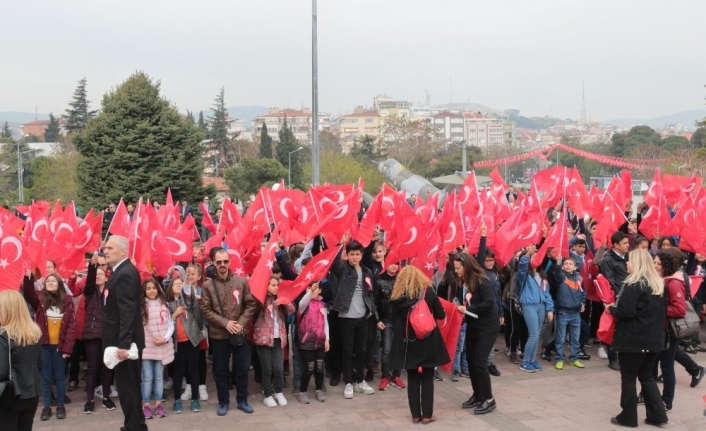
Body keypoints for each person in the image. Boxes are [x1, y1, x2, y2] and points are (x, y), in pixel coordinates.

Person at [606, 249, 668, 427]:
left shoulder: (635, 285)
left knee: (629, 378)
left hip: (634, 340)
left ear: (638, 264)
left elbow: (624, 311)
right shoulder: (657, 284)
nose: (627, 264)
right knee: (647, 377)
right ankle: (658, 415)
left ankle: (628, 417)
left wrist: (611, 308)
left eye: (630, 261)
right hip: (654, 340)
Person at [199, 248, 258, 416]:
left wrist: (240, 323)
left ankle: (242, 400)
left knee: (242, 369)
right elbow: (205, 310)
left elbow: (250, 304)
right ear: (213, 263)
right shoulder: (207, 286)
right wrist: (226, 323)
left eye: (225, 261)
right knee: (220, 371)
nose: (222, 265)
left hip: (239, 333)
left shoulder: (241, 282)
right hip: (219, 335)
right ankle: (223, 402)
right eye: (219, 262)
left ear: (229, 262)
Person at [389, 266, 449, 424]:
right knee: (428, 376)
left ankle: (415, 415)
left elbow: (393, 319)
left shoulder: (397, 296)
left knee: (413, 377)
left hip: (408, 342)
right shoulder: (427, 292)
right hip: (428, 339)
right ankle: (427, 415)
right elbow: (440, 315)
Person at [102, 235, 147, 431]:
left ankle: (134, 427)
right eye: (106, 247)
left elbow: (128, 312)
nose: (105, 250)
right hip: (121, 339)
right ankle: (135, 425)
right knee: (127, 387)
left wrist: (123, 344)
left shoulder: (126, 273)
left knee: (128, 388)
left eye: (110, 248)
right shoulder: (118, 271)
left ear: (122, 251)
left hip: (125, 343)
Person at [21, 272, 76, 421]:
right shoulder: (39, 299)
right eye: (48, 281)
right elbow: (28, 292)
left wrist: (67, 348)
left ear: (59, 284)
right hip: (44, 347)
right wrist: (28, 277)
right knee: (45, 377)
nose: (50, 283)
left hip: (59, 347)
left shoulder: (68, 301)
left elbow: (71, 327)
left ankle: (60, 405)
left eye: (53, 281)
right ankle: (46, 406)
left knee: (59, 377)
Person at [330, 237, 378, 399]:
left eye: (357, 254)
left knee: (361, 350)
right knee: (348, 351)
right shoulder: (343, 270)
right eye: (352, 254)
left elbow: (370, 293)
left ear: (362, 255)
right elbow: (334, 263)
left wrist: (371, 309)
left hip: (362, 317)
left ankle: (361, 381)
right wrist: (339, 244)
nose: (355, 257)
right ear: (348, 255)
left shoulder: (367, 272)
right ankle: (348, 382)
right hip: (346, 316)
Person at [454, 252, 500, 415]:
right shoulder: (463, 282)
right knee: (471, 362)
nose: (456, 271)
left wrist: (468, 309)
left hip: (487, 326)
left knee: (479, 362)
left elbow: (489, 303)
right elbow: (462, 300)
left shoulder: (483, 281)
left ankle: (489, 399)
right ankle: (478, 394)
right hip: (473, 324)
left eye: (458, 268)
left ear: (466, 267)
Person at [0, 290, 43, 431]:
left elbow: (1, 371)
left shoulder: (4, 336)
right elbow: (40, 364)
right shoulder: (34, 332)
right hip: (32, 392)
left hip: (10, 395)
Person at [81, 254, 116, 413]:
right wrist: (93, 267)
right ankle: (89, 400)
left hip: (108, 335)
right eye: (96, 275)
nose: (98, 277)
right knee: (93, 368)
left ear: (106, 276)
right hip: (92, 335)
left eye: (101, 274)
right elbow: (89, 280)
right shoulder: (89, 291)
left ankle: (106, 398)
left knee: (107, 367)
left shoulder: (111, 291)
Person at [653, 250, 687, 413]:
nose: (656, 266)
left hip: (668, 332)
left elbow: (680, 310)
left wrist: (659, 310)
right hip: (660, 329)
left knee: (666, 367)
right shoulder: (663, 280)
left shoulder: (673, 283)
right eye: (655, 263)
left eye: (659, 263)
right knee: (654, 365)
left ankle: (667, 401)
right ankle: (649, 395)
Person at [254, 277, 295, 407]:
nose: (276, 287)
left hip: (279, 339)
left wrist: (285, 301)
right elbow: (252, 308)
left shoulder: (280, 299)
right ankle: (267, 394)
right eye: (273, 285)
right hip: (263, 339)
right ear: (266, 286)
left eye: (277, 285)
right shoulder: (261, 300)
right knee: (267, 369)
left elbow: (292, 310)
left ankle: (279, 392)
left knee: (278, 368)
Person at [165, 277, 203, 413]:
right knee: (178, 371)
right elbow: (164, 323)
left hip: (192, 340)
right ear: (170, 287)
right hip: (176, 343)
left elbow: (193, 302)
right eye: (176, 283)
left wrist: (187, 287)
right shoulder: (167, 304)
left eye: (181, 284)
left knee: (193, 370)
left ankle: (194, 399)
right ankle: (177, 400)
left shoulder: (187, 301)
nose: (178, 285)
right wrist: (174, 315)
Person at [517, 246, 554, 372]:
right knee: (533, 335)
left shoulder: (542, 275)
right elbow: (522, 266)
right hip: (529, 306)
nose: (535, 259)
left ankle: (533, 360)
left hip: (541, 307)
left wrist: (550, 309)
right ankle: (525, 361)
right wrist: (528, 254)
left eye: (537, 257)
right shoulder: (524, 275)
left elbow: (547, 293)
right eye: (533, 257)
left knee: (537, 335)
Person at [141, 278, 174, 419]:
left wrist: (165, 338)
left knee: (159, 378)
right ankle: (146, 405)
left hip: (162, 347)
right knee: (147, 378)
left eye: (154, 288)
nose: (151, 291)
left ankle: (159, 404)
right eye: (148, 288)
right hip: (147, 348)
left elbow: (170, 324)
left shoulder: (164, 304)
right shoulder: (141, 306)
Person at [599, 231, 630, 371]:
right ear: (616, 245)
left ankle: (622, 356)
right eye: (625, 243)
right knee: (613, 329)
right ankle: (613, 359)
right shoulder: (608, 260)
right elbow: (609, 282)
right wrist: (619, 297)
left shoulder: (628, 257)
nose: (628, 245)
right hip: (614, 299)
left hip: (627, 296)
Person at [548, 256, 586, 370]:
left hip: (575, 313)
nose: (568, 265)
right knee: (560, 338)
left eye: (570, 264)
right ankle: (559, 359)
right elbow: (557, 274)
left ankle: (574, 359)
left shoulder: (579, 278)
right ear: (563, 267)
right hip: (563, 312)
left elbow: (583, 292)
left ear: (575, 267)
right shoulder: (561, 278)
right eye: (566, 264)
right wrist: (558, 263)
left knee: (575, 338)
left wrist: (583, 302)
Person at [374, 261, 405, 391]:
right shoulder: (379, 281)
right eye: (392, 263)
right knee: (386, 349)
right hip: (386, 320)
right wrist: (377, 319)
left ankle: (396, 375)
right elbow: (374, 302)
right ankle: (385, 376)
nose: (394, 266)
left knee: (398, 348)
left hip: (400, 320)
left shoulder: (402, 280)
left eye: (396, 264)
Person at [297, 282, 330, 403]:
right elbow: (302, 302)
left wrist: (327, 339)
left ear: (320, 290)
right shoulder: (304, 304)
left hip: (320, 341)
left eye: (315, 288)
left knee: (320, 366)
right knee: (310, 367)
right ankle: (302, 392)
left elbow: (326, 323)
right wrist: (310, 292)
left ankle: (319, 390)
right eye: (309, 288)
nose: (313, 290)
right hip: (306, 341)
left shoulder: (323, 304)